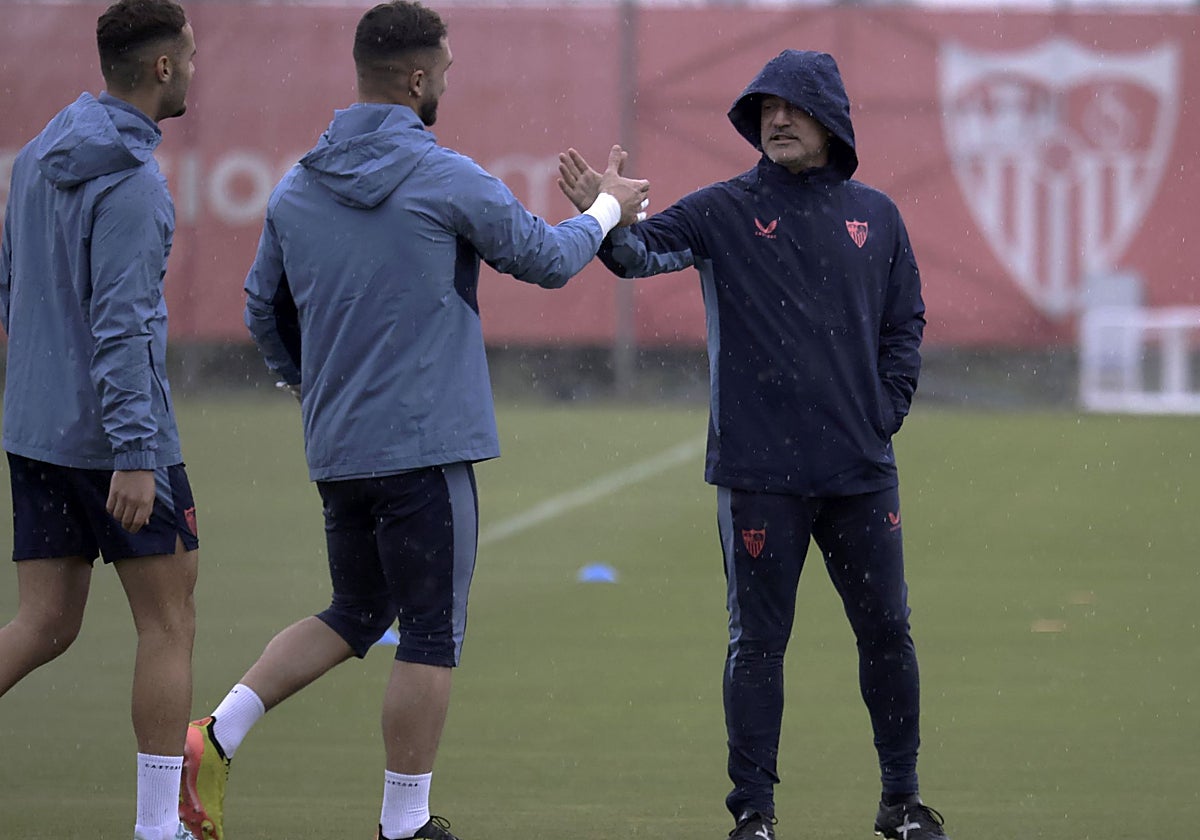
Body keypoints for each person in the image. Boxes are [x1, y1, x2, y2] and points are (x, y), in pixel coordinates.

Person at [175, 3, 649, 840]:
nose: (451, 84)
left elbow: (261, 312)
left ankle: (217, 732)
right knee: (430, 631)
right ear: (419, 79)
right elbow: (545, 259)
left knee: (357, 610)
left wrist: (312, 386)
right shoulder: (444, 175)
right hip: (426, 450)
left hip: (341, 449)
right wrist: (608, 208)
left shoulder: (297, 185)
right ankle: (404, 825)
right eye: (448, 71)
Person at [557, 49, 949, 840]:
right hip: (759, 473)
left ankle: (901, 801)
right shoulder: (725, 209)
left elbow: (905, 321)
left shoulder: (878, 215)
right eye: (766, 107)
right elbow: (638, 255)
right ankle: (755, 817)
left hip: (860, 473)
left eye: (794, 107)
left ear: (831, 120)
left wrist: (886, 409)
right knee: (759, 645)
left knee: (887, 635)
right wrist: (603, 216)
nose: (776, 119)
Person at [0, 3, 200, 840]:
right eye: (189, 55)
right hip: (117, 442)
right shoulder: (134, 185)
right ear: (160, 68)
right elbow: (125, 328)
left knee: (42, 625)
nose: (194, 66)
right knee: (170, 621)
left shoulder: (41, 154)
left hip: (35, 427)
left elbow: (11, 285)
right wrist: (132, 452)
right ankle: (159, 827)